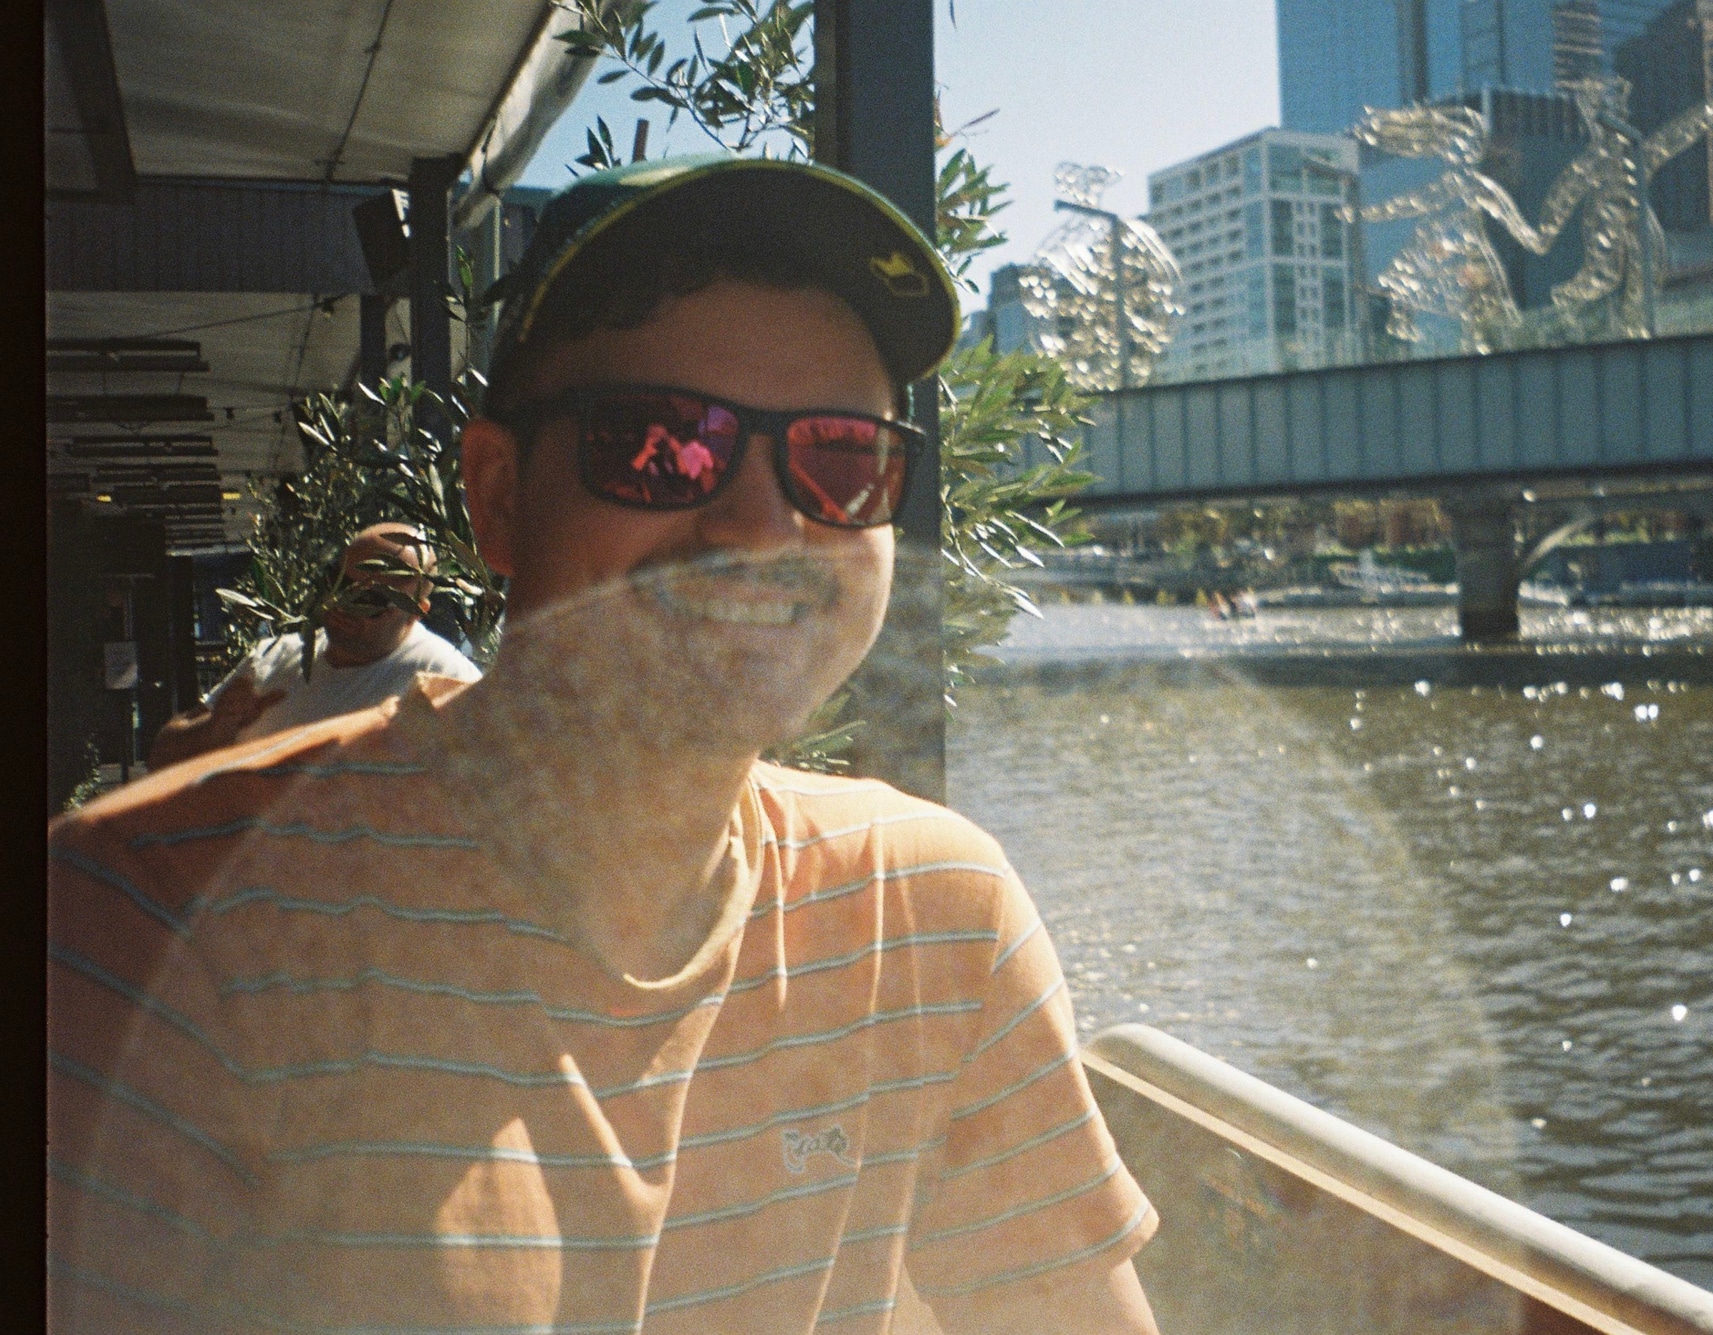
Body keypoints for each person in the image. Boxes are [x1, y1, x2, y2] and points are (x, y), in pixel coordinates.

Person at [49, 154, 1159, 1334]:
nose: (762, 525)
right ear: (497, 497)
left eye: (840, 458)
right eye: (661, 442)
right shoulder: (147, 928)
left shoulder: (933, 912)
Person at [146, 523, 481, 768]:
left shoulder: (447, 681)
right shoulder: (274, 656)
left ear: (415, 613)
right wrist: (213, 729)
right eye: (334, 581)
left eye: (369, 598)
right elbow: (162, 755)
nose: (340, 602)